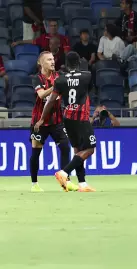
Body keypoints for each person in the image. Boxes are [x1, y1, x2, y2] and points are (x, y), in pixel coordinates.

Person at [34, 52, 96, 192]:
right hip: (81, 117)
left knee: (77, 150)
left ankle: (82, 184)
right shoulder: (87, 76)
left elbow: (50, 102)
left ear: (66, 65)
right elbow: (89, 90)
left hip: (67, 119)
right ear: (79, 62)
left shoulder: (60, 80)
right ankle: (64, 172)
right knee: (90, 149)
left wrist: (42, 118)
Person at [29, 51, 73, 192]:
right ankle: (34, 184)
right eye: (48, 60)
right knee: (36, 152)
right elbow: (41, 94)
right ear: (41, 63)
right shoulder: (36, 78)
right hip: (39, 122)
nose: (53, 62)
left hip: (57, 120)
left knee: (65, 147)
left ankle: (65, 180)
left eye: (53, 59)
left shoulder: (59, 76)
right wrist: (56, 86)